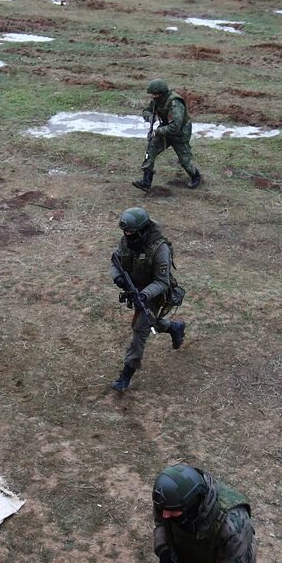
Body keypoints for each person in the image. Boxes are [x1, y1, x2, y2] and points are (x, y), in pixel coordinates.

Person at [109, 208, 186, 392]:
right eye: (126, 232)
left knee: (140, 329)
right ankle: (174, 327)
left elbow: (162, 282)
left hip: (155, 294)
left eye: (132, 232)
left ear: (143, 229)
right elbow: (115, 261)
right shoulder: (126, 241)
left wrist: (143, 295)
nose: (128, 236)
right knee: (148, 322)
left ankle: (125, 376)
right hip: (135, 289)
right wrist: (118, 278)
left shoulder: (160, 249)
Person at [135, 79, 202, 191]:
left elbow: (176, 126)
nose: (153, 97)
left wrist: (157, 132)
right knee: (151, 149)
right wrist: (150, 116)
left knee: (185, 160)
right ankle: (146, 181)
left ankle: (196, 176)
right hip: (164, 130)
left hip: (180, 134)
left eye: (155, 94)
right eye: (152, 94)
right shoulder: (157, 101)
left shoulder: (175, 103)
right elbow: (146, 110)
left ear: (161, 93)